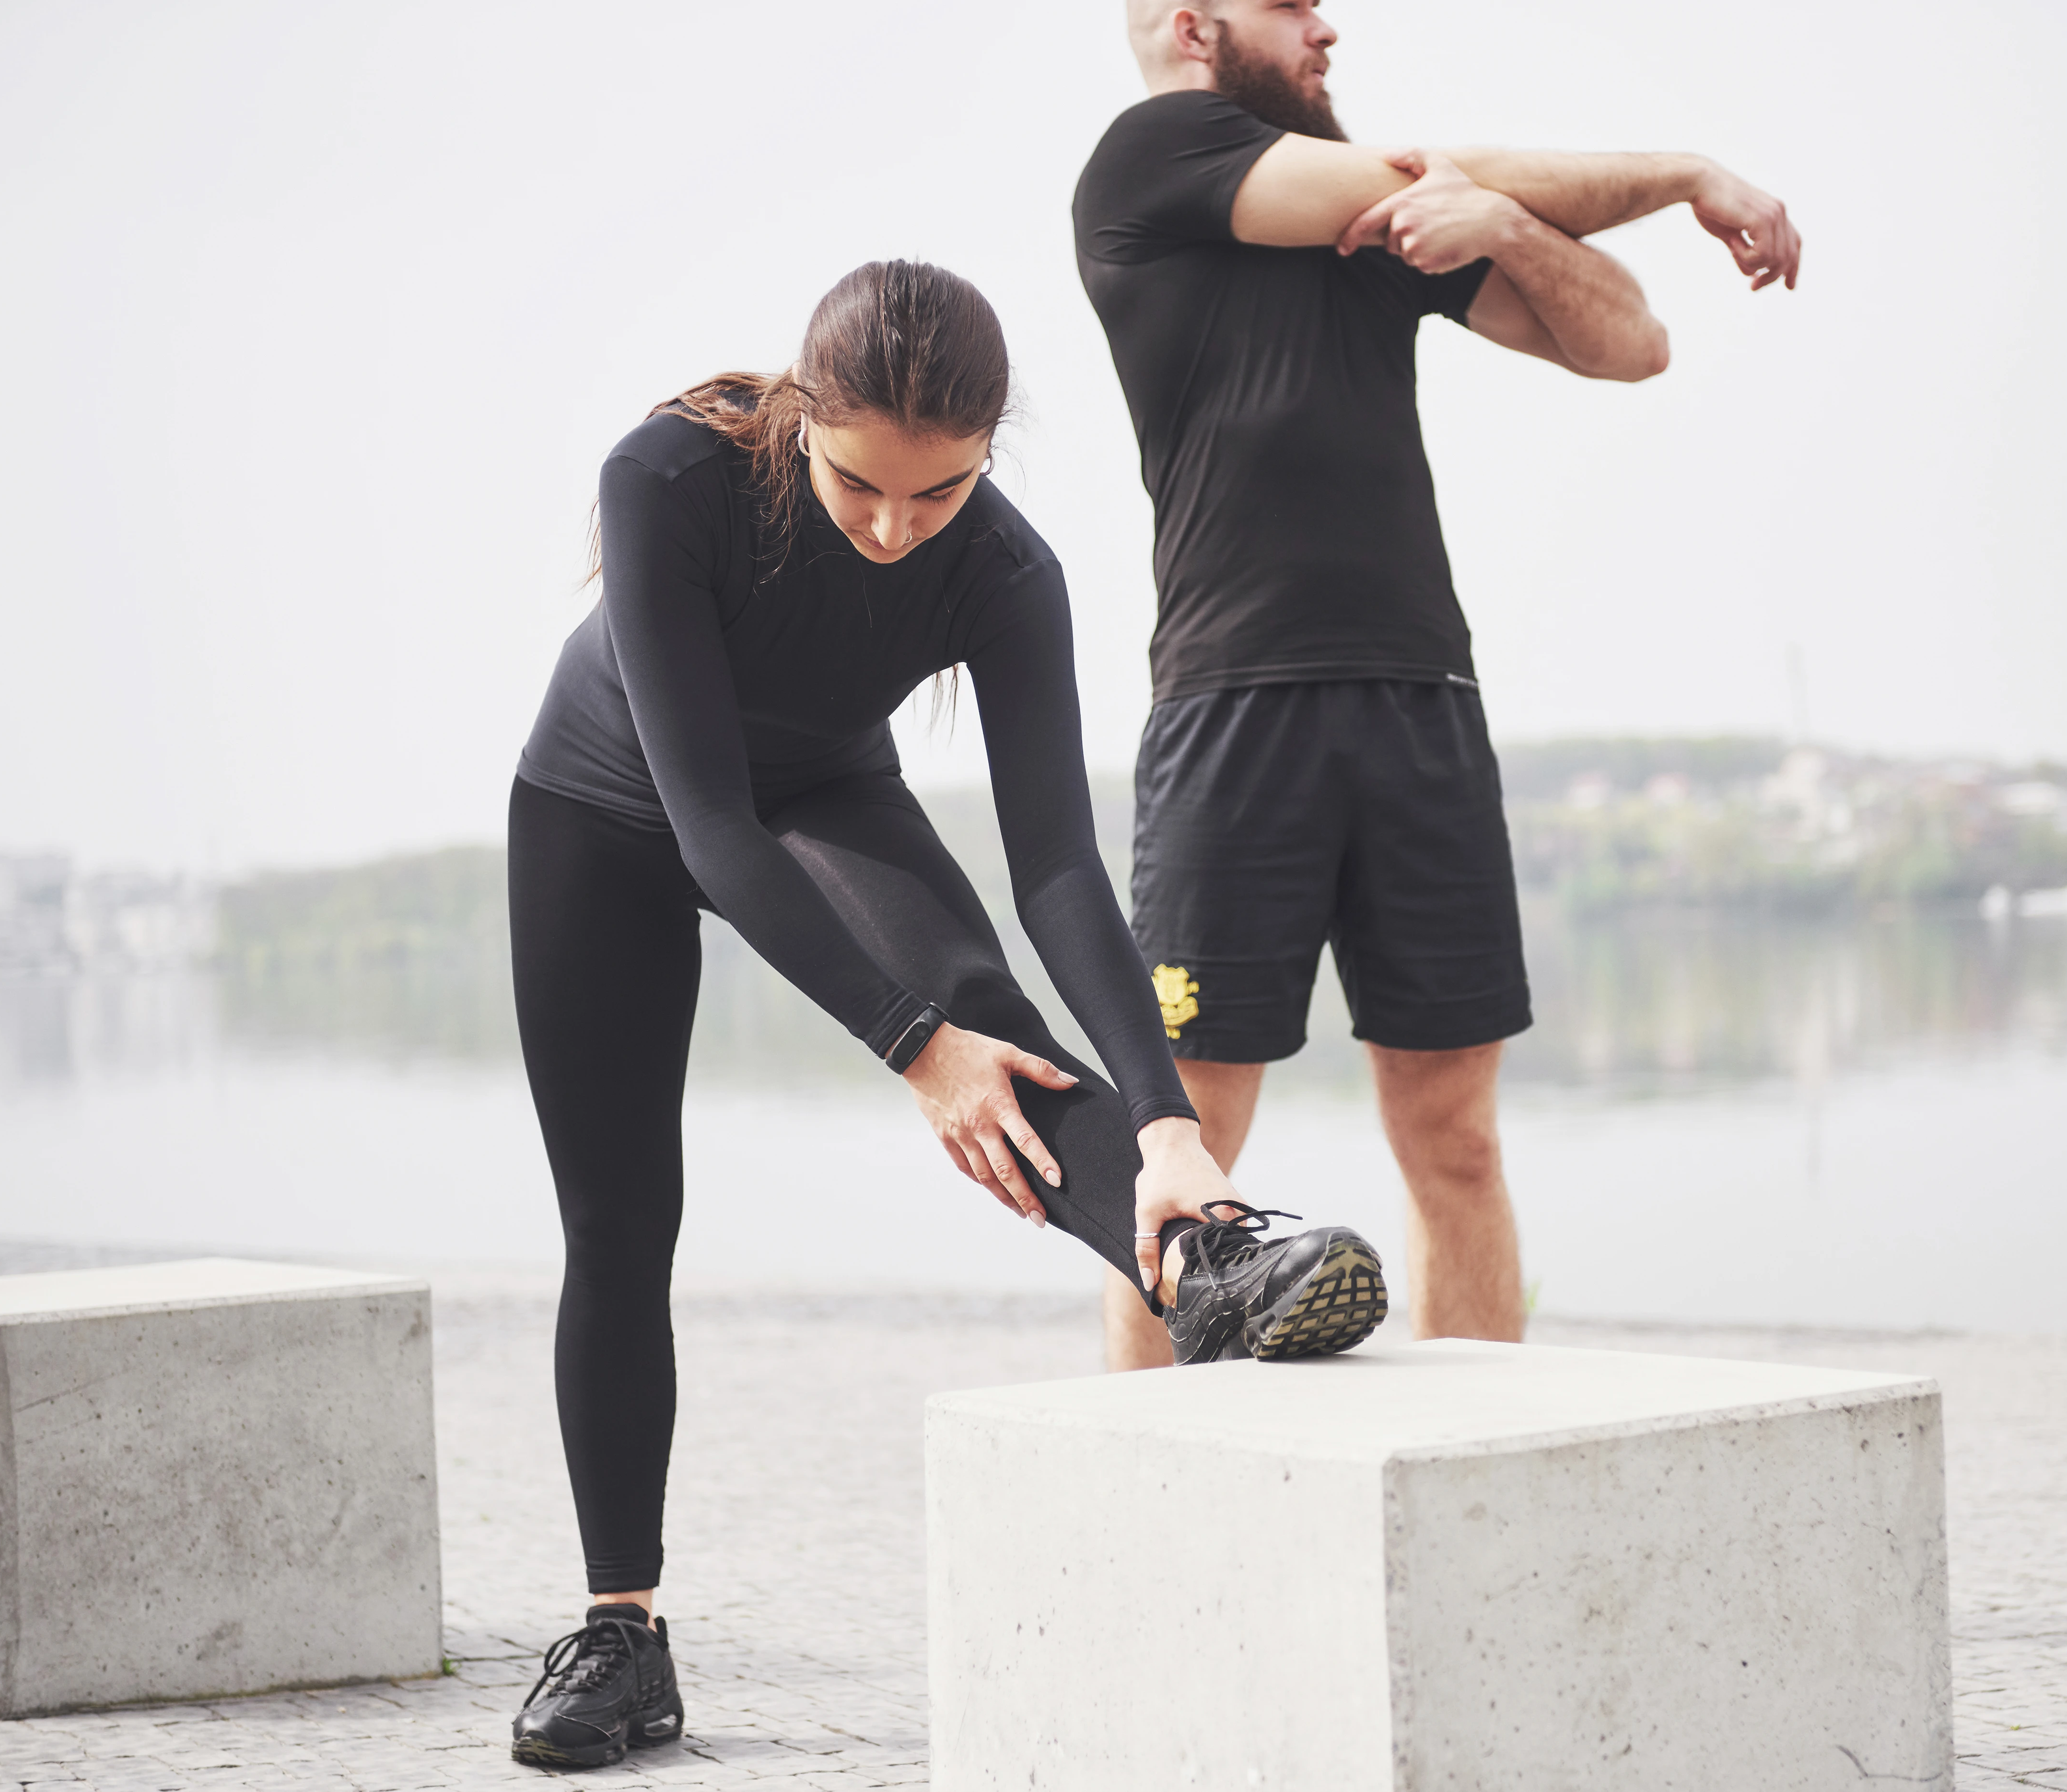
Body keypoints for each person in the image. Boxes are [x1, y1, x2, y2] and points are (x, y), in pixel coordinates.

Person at [502, 260, 1388, 1769]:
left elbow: (1057, 866)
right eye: (859, 485)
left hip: (827, 797)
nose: (895, 529)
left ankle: (1206, 1254)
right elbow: (712, 827)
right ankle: (621, 1632)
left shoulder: (1009, 572)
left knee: (991, 1014)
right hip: (603, 819)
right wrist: (913, 1052)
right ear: (804, 419)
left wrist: (1167, 1121)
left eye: (941, 493)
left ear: (988, 454)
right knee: (624, 1222)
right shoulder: (669, 480)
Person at [1081, 1, 1805, 1371]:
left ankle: (1478, 1457)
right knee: (1189, 1153)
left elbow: (1632, 342)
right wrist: (1689, 175)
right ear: (1194, 23)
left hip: (1421, 707)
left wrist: (1504, 228)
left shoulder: (1376, 237)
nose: (1325, 28)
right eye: (1289, 4)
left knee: (1456, 1138)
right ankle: (1133, 1473)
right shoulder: (1152, 156)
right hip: (1234, 712)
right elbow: (1428, 172)